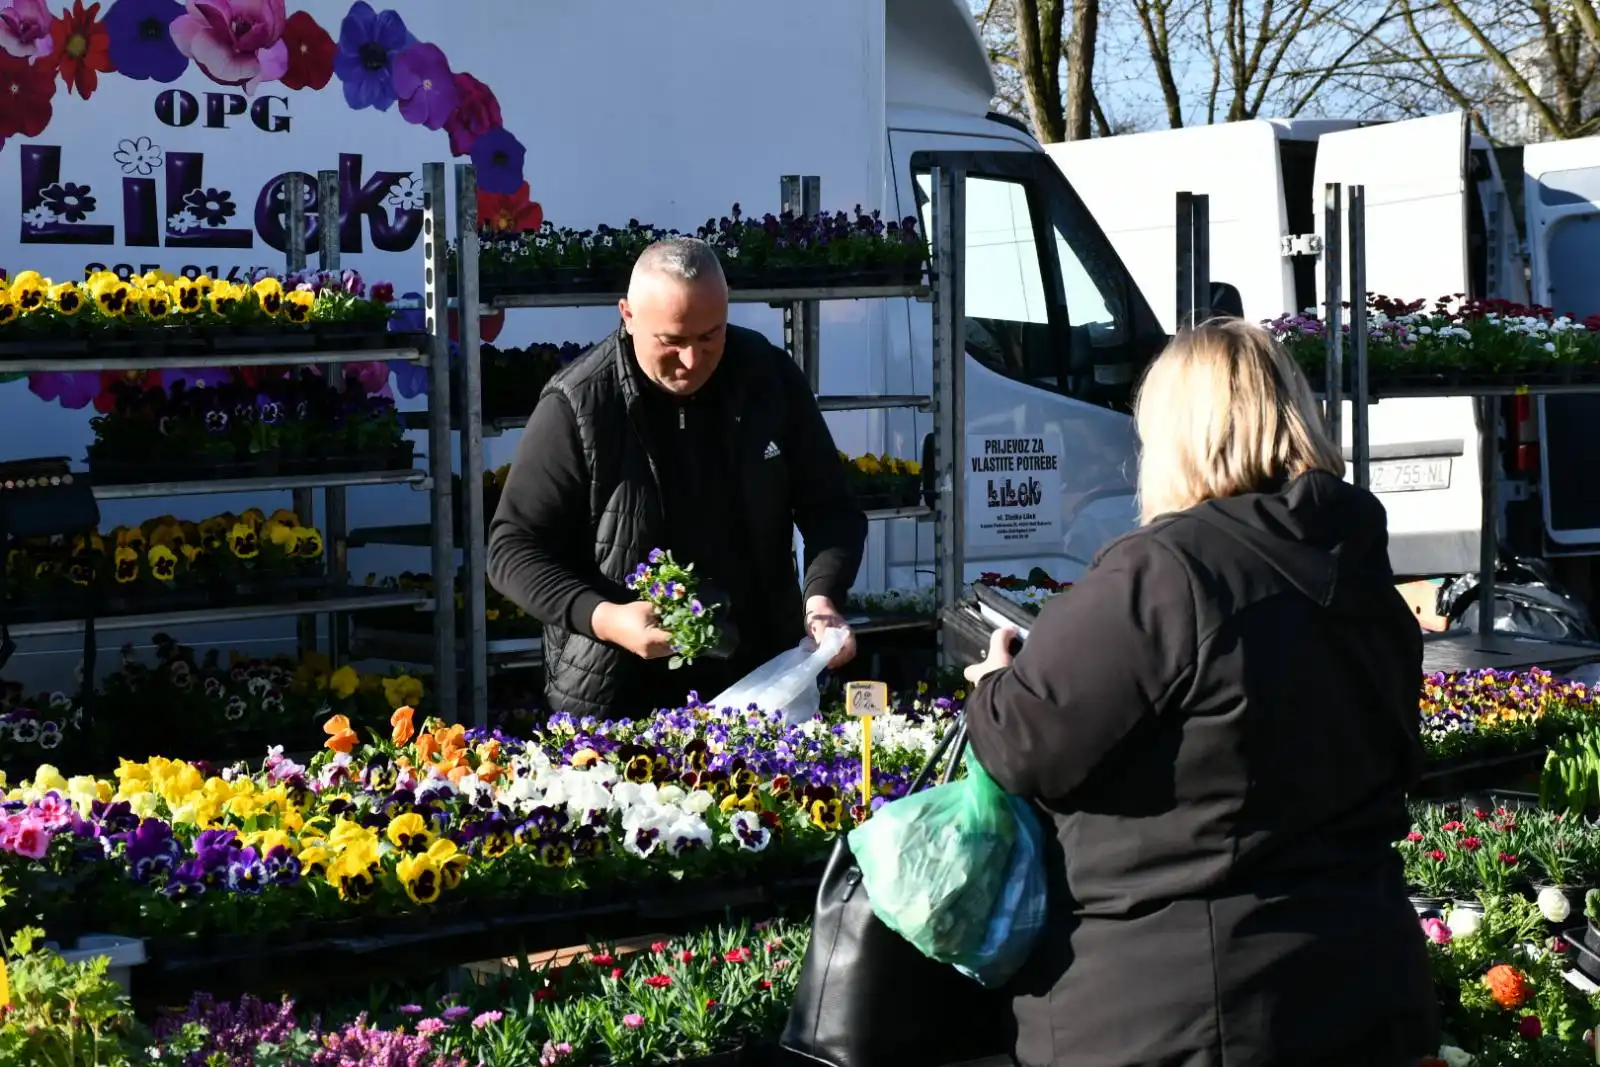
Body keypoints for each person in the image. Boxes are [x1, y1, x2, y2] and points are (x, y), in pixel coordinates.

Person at [961, 319, 1439, 1067]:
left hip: (1184, 1006)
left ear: (1179, 436)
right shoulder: (1361, 568)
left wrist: (993, 685)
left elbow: (1025, 744)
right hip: (1365, 986)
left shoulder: (1169, 571)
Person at [487, 236, 866, 719]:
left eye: (710, 336)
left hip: (760, 678)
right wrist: (607, 618)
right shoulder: (579, 403)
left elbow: (831, 507)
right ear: (627, 315)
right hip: (617, 692)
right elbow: (511, 549)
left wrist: (822, 596)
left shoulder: (766, 377)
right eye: (671, 341)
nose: (691, 360)